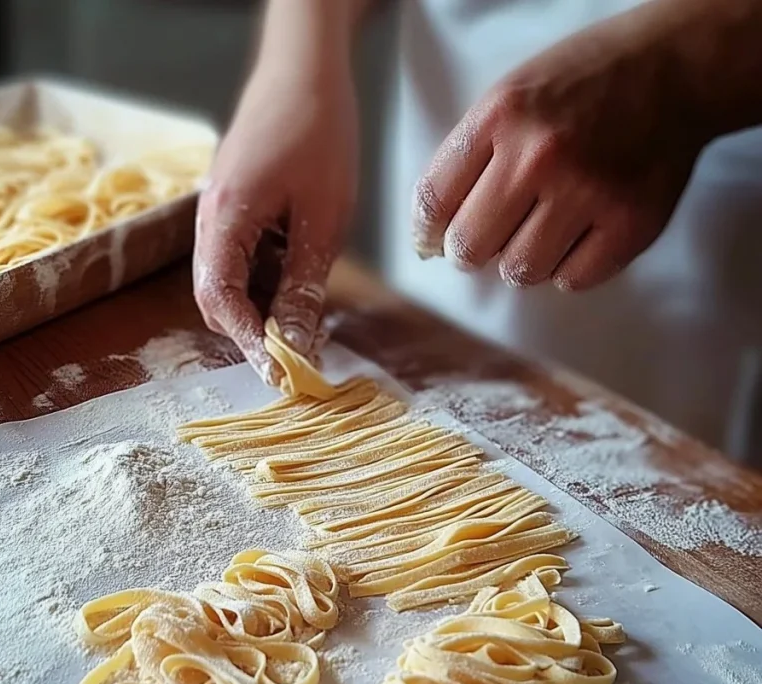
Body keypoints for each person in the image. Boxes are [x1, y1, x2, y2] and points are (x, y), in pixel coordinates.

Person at [193, 0, 762, 465]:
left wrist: (682, 68)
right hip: (460, 77)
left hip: (724, 156)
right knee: (440, 403)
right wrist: (296, 71)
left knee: (662, 470)